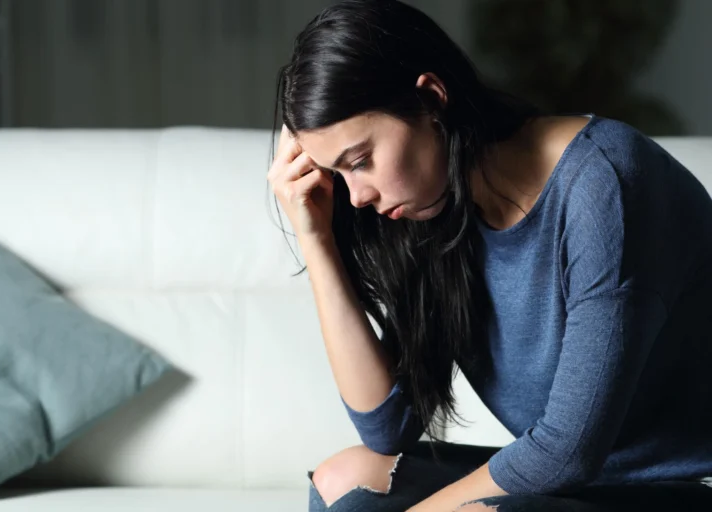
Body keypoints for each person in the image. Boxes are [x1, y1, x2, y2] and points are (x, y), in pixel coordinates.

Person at [265, 1, 712, 510]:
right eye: (337, 174)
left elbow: (569, 450)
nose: (357, 196)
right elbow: (387, 429)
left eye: (361, 161)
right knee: (345, 476)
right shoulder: (435, 210)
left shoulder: (603, 184)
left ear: (432, 99)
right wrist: (315, 236)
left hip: (681, 485)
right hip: (577, 485)